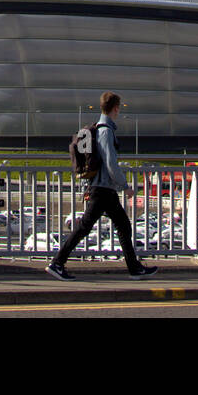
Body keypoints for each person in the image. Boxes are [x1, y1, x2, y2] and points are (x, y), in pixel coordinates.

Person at [46, 92, 157, 280]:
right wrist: (125, 186)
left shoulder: (100, 127)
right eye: (119, 107)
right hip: (102, 189)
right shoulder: (105, 131)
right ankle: (57, 263)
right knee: (87, 227)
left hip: (104, 189)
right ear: (116, 108)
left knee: (122, 225)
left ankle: (134, 268)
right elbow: (111, 163)